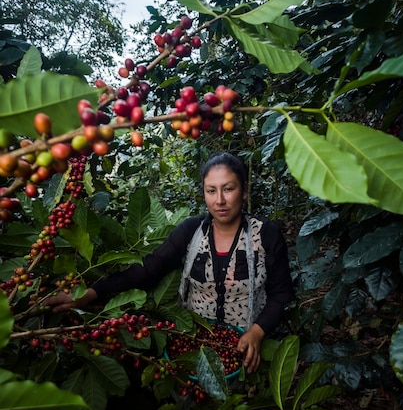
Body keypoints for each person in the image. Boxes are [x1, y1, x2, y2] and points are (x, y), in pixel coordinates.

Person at [47, 152, 295, 373]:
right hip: (194, 343)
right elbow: (148, 270)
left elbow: (281, 293)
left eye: (228, 189)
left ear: (244, 190)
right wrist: (91, 293)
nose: (220, 200)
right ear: (204, 193)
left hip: (245, 346)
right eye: (211, 190)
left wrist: (257, 332)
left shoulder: (265, 234)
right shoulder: (191, 231)